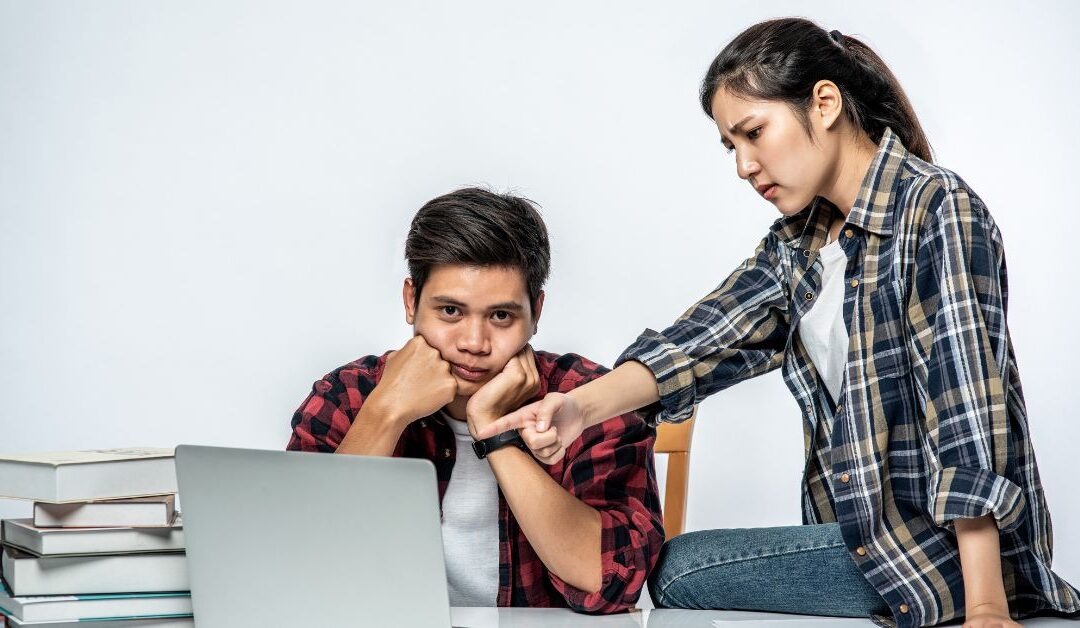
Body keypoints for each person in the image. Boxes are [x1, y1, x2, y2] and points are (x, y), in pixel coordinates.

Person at [477, 18, 1080, 627]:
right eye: (731, 146)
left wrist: (986, 607)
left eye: (754, 132)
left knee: (678, 570)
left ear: (824, 104)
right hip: (871, 545)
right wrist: (578, 409)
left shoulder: (935, 207)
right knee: (682, 569)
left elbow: (965, 405)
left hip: (949, 556)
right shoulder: (798, 245)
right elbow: (701, 344)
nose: (744, 165)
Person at [286, 187, 663, 613]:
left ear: (536, 313)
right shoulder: (350, 396)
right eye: (450, 311)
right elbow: (298, 564)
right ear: (411, 301)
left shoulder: (585, 399)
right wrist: (387, 412)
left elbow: (611, 582)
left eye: (501, 316)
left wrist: (495, 433)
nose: (474, 343)